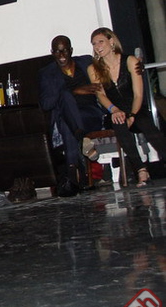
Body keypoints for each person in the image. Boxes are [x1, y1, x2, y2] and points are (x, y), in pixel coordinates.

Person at [88, 27, 166, 187]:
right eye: (94, 44)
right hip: (114, 110)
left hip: (135, 107)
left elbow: (138, 94)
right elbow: (100, 95)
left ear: (111, 41)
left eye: (101, 41)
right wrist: (114, 110)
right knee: (119, 124)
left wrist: (132, 115)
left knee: (145, 123)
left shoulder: (130, 61)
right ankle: (141, 170)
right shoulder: (94, 69)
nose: (97, 46)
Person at [38, 35, 105, 192]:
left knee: (66, 123)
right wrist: (73, 91)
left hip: (90, 114)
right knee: (65, 102)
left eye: (65, 51)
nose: (61, 55)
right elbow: (46, 104)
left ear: (71, 50)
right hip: (66, 117)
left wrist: (135, 65)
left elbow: (109, 69)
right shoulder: (46, 73)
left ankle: (72, 175)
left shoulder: (86, 62)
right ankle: (81, 140)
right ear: (52, 53)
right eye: (57, 52)